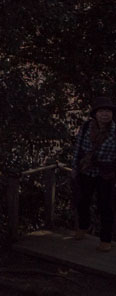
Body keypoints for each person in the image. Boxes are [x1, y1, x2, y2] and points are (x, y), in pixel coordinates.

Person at [71, 95, 116, 251]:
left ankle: (105, 240)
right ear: (95, 114)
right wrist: (75, 168)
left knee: (106, 207)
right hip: (86, 170)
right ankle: (83, 227)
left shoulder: (115, 131)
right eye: (102, 111)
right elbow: (78, 149)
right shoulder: (86, 128)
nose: (105, 114)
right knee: (82, 201)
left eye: (108, 111)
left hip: (106, 173)